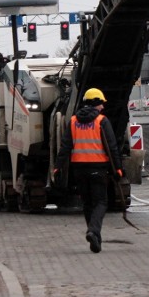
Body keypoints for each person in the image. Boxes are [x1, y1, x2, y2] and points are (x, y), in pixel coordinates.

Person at [54, 88, 123, 253]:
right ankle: (93, 231)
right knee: (101, 202)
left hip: (79, 169)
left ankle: (95, 238)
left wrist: (57, 167)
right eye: (101, 104)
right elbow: (112, 147)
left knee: (87, 203)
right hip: (98, 168)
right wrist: (118, 168)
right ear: (95, 103)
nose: (102, 107)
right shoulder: (101, 121)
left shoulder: (73, 121)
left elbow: (65, 147)